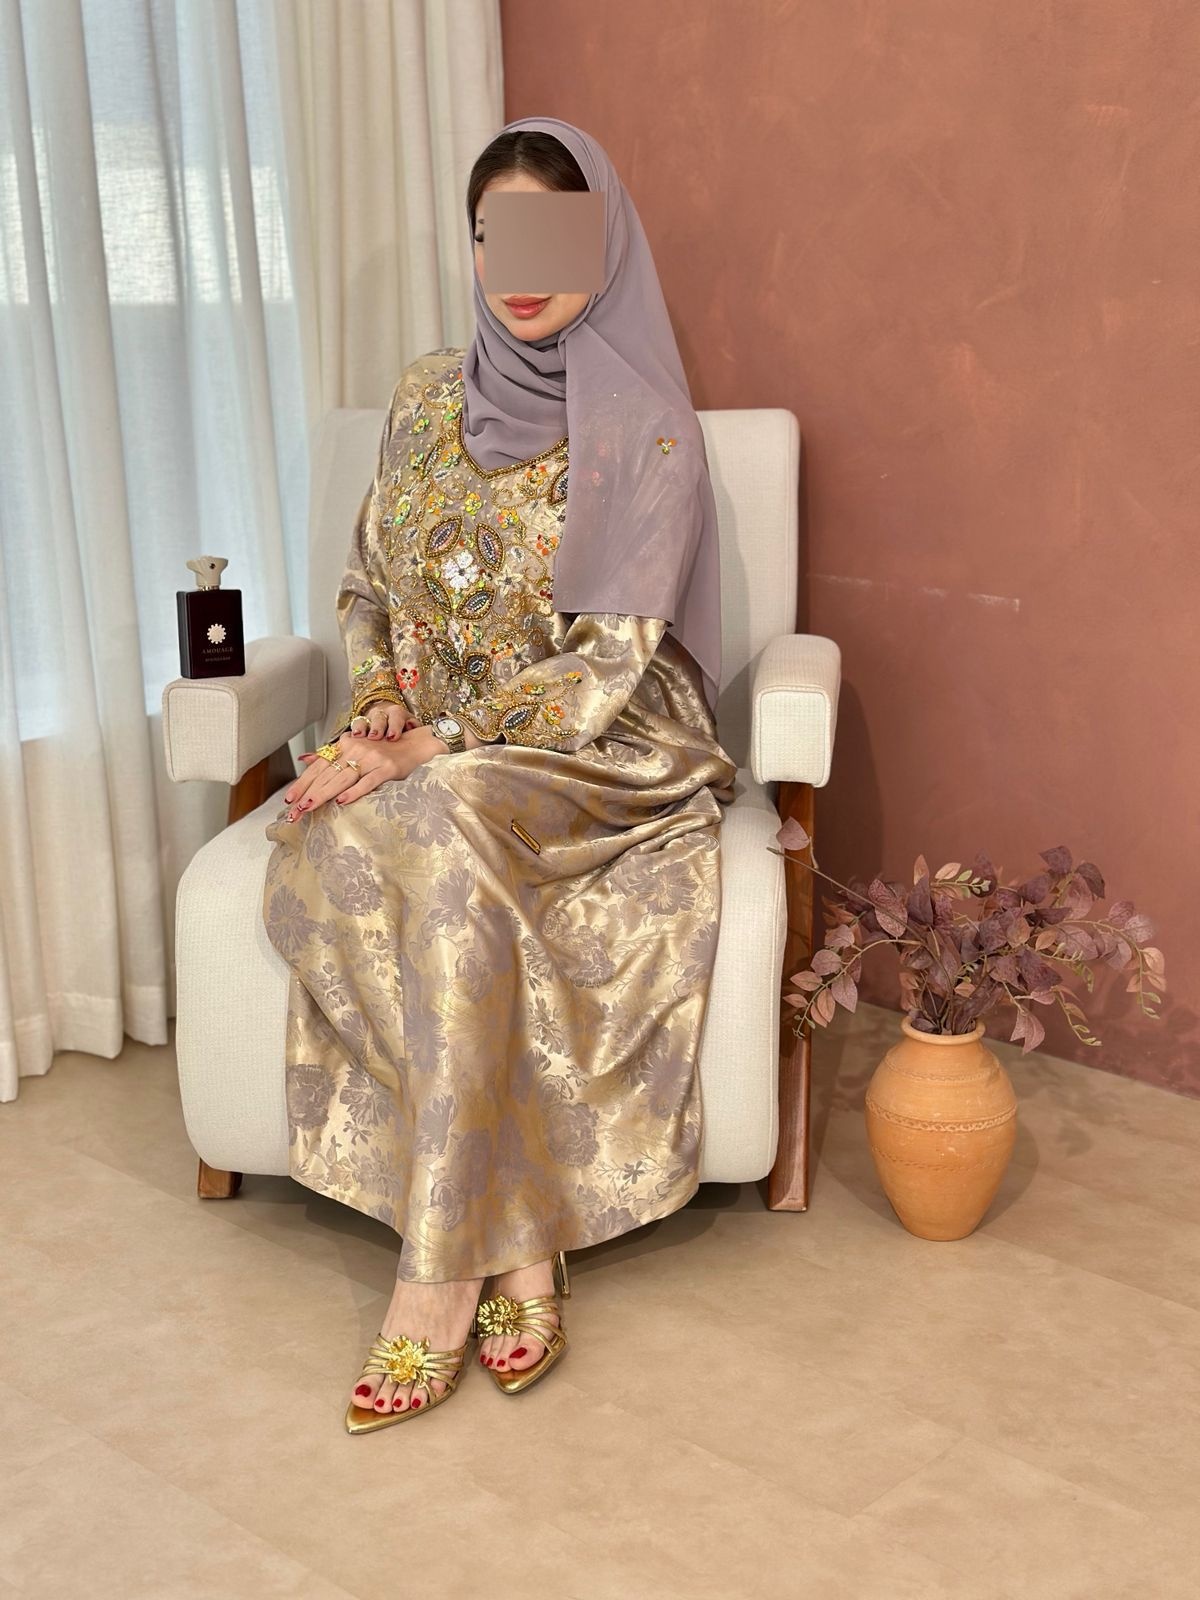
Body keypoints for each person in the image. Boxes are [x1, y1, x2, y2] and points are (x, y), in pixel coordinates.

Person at [262, 116, 737, 1433]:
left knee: (442, 807)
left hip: (600, 743)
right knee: (366, 831)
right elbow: (372, 591)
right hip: (428, 736)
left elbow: (614, 657)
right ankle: (517, 1243)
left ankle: (433, 1276)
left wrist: (439, 743)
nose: (517, 269)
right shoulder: (425, 398)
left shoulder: (647, 430)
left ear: (603, 241)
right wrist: (379, 712)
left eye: (547, 237)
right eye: (492, 236)